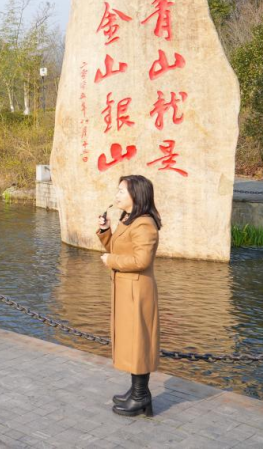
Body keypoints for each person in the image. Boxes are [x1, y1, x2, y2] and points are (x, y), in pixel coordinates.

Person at [97, 175, 161, 418]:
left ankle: (141, 396)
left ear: (137, 195)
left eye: (122, 190)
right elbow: (116, 247)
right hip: (127, 289)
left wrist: (111, 261)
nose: (117, 194)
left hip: (137, 291)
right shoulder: (128, 220)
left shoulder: (144, 224)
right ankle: (136, 390)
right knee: (132, 340)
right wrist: (105, 230)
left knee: (139, 342)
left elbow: (142, 261)